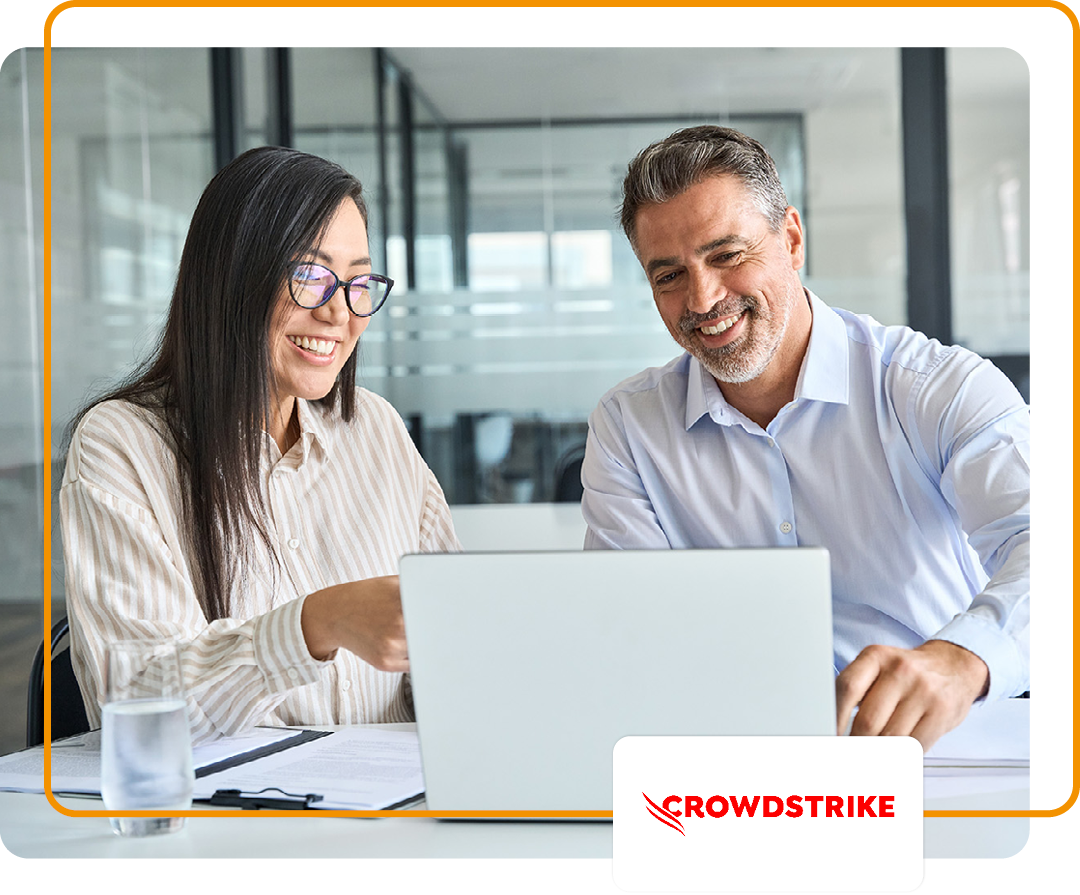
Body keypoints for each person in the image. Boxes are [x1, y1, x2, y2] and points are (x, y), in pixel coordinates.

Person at [581, 126, 1029, 750]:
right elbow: (627, 626)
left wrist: (962, 658)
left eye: (726, 255)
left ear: (791, 239)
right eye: (669, 276)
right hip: (732, 765)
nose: (703, 298)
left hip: (932, 752)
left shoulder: (935, 387)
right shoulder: (630, 428)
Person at [60, 146, 459, 743]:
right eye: (308, 275)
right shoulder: (122, 445)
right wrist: (315, 624)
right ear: (232, 278)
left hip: (400, 811)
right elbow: (138, 706)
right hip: (238, 822)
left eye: (357, 282)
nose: (339, 312)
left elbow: (457, 642)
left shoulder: (374, 427)